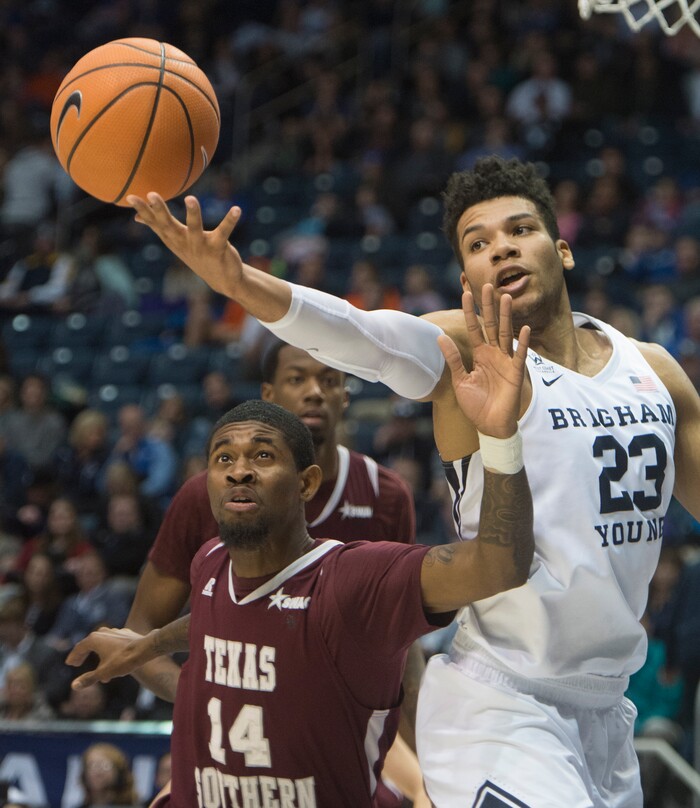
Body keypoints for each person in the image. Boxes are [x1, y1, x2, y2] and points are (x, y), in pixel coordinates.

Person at [121, 153, 700, 806]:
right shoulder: (467, 349)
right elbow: (363, 336)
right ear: (465, 278)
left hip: (606, 708)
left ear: (562, 250)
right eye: (479, 244)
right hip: (502, 705)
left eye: (519, 230)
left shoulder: (653, 370)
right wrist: (240, 282)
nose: (502, 250)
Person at [68, 369, 534, 806]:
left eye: (263, 456)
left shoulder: (354, 579)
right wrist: (146, 645)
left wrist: (498, 441)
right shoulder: (209, 564)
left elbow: (499, 564)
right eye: (223, 458)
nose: (239, 471)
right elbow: (233, 619)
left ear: (307, 483)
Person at [125, 340, 425, 803]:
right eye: (296, 379)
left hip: (350, 734)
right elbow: (141, 633)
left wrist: (423, 746)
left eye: (329, 381)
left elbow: (404, 647)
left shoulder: (385, 495)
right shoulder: (207, 494)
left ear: (346, 396)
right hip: (231, 746)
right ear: (268, 395)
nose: (314, 393)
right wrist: (215, 704)